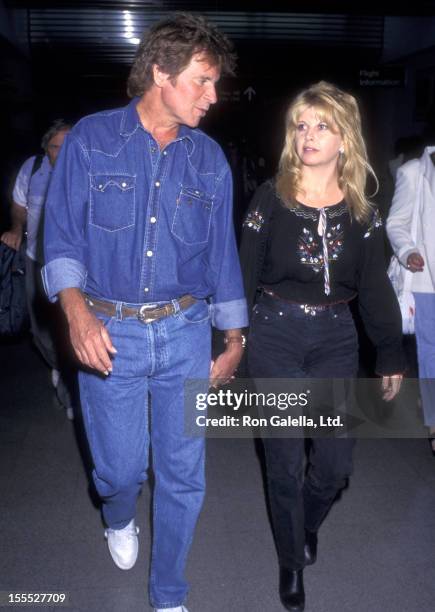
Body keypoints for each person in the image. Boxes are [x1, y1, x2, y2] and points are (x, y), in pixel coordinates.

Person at [42, 13, 247, 612]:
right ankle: (117, 512)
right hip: (110, 332)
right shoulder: (91, 139)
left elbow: (222, 255)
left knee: (184, 475)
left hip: (184, 332)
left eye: (216, 85)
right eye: (202, 82)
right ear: (160, 72)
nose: (213, 97)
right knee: (120, 471)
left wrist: (233, 337)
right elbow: (60, 239)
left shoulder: (209, 159)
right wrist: (77, 316)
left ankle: (168, 595)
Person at [239, 81, 404, 611]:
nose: (308, 136)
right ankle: (292, 561)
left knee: (334, 465)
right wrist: (231, 337)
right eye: (301, 125)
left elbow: (375, 286)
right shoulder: (272, 197)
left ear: (344, 139)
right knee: (284, 460)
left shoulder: (363, 212)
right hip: (276, 332)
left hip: (336, 338)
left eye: (322, 126)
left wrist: (389, 350)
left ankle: (304, 523)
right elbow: (242, 271)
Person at [0, 119, 78, 419]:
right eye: (58, 146)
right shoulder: (31, 169)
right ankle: (58, 365)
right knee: (39, 331)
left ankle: (70, 392)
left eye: (70, 145)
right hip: (36, 259)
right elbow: (19, 206)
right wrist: (16, 228)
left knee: (70, 327)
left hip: (73, 265)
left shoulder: (83, 169)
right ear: (46, 147)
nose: (64, 152)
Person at [386, 145, 435, 456]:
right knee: (431, 352)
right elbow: (396, 223)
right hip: (426, 280)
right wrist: (407, 252)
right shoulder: (414, 172)